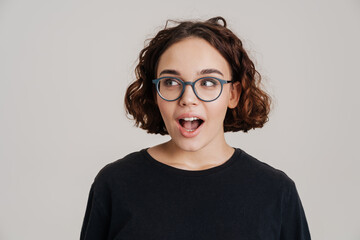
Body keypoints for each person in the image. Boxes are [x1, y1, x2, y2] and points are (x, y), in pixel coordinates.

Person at [80, 16, 311, 240]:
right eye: (170, 82)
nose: (188, 98)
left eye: (208, 82)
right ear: (155, 93)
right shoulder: (114, 184)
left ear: (233, 94)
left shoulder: (276, 192)